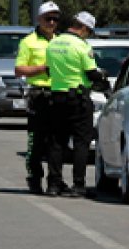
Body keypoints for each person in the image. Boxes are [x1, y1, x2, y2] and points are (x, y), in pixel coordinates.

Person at [45, 11, 106, 198]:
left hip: (56, 98)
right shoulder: (82, 46)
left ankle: (54, 185)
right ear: (84, 28)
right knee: (81, 142)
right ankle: (78, 185)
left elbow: (48, 70)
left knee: (56, 142)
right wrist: (102, 79)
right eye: (89, 31)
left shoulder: (53, 43)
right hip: (78, 99)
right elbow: (91, 74)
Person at [14, 1, 61, 195]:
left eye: (55, 19)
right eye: (47, 18)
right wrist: (42, 68)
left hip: (58, 94)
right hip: (38, 94)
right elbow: (19, 70)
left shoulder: (61, 41)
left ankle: (54, 182)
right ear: (39, 19)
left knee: (56, 142)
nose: (51, 22)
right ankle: (34, 178)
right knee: (36, 141)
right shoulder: (28, 41)